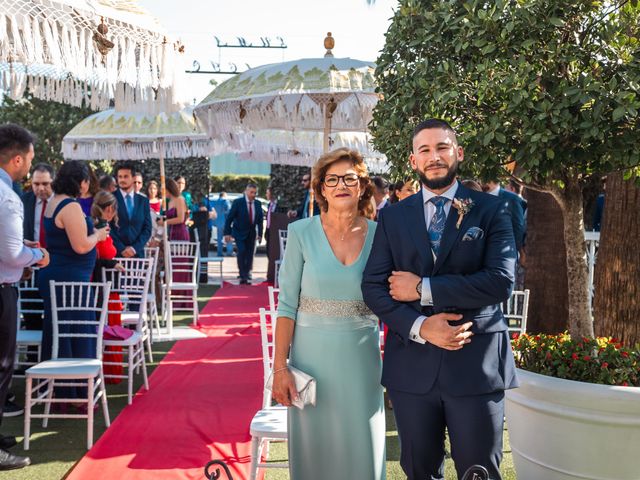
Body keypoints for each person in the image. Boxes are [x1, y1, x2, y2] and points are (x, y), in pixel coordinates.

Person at [362, 118, 518, 480]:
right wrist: (419, 326)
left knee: (480, 472)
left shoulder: (491, 210)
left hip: (477, 366)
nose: (434, 157)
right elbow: (372, 286)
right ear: (413, 161)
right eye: (425, 150)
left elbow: (500, 282)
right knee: (419, 471)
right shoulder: (393, 218)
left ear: (458, 153)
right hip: (412, 369)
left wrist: (423, 289)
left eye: (442, 147)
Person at [272, 148, 385, 480]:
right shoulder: (300, 233)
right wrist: (280, 367)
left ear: (362, 185)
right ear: (321, 188)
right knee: (315, 453)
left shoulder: (381, 235)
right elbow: (287, 306)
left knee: (362, 447)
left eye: (350, 178)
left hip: (361, 361)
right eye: (332, 179)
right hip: (310, 364)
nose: (341, 185)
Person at [38, 160, 109, 399]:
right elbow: (80, 245)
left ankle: (61, 389)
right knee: (74, 331)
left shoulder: (54, 202)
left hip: (60, 275)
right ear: (81, 182)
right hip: (70, 281)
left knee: (60, 330)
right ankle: (74, 391)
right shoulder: (70, 206)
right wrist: (98, 235)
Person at [0, 124, 49, 471]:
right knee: (2, 368)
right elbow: (13, 254)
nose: (30, 167)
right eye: (29, 160)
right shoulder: (9, 197)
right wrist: (37, 256)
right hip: (2, 291)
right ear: (17, 159)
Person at [91, 191, 124, 384]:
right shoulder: (100, 227)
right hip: (103, 287)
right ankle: (109, 372)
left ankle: (109, 371)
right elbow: (103, 255)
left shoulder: (100, 225)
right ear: (109, 209)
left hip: (106, 284)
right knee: (109, 327)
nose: (112, 213)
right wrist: (112, 263)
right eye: (111, 209)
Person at [110, 161, 152, 259]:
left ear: (133, 178)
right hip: (116, 255)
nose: (122, 180)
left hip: (137, 255)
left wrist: (134, 248)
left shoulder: (143, 201)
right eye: (120, 177)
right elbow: (108, 227)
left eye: (125, 176)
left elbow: (147, 229)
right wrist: (121, 248)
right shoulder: (110, 198)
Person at [224, 183, 263, 284]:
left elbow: (260, 220)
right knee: (241, 252)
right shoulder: (238, 202)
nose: (253, 195)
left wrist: (260, 234)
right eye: (251, 192)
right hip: (239, 233)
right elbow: (230, 218)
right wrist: (227, 233)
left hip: (251, 233)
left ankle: (247, 273)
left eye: (255, 193)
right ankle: (243, 275)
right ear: (246, 191)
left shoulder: (258, 204)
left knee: (250, 254)